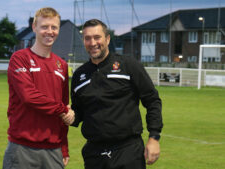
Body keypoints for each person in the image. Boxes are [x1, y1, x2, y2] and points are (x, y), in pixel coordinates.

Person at [69, 19, 163, 169]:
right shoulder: (79, 76)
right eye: (87, 38)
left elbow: (152, 101)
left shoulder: (128, 65)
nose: (92, 43)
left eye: (97, 37)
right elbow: (79, 112)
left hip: (128, 151)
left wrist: (154, 137)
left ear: (107, 39)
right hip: (94, 154)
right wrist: (68, 115)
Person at [3, 7, 74, 169]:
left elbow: (63, 110)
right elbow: (29, 96)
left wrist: (64, 147)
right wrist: (63, 109)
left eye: (54, 27)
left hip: (54, 150)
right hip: (22, 149)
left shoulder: (62, 65)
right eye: (44, 27)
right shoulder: (19, 58)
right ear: (34, 27)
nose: (50, 31)